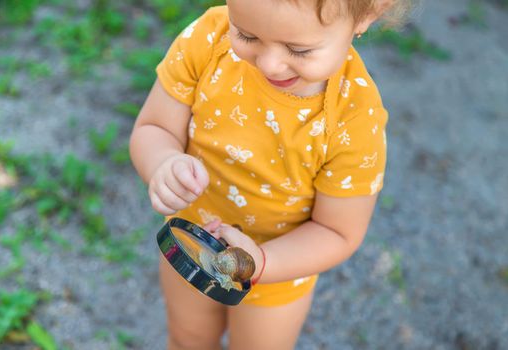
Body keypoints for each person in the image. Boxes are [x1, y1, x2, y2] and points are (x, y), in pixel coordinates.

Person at [130, 0, 411, 349]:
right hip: (191, 243)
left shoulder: (353, 119)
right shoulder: (208, 38)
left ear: (369, 13)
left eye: (299, 49)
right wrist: (162, 162)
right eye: (247, 34)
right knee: (187, 339)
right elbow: (154, 127)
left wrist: (262, 263)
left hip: (277, 278)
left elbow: (338, 231)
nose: (269, 63)